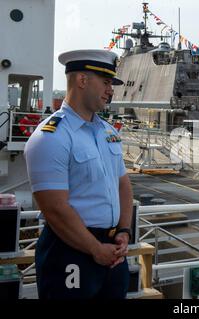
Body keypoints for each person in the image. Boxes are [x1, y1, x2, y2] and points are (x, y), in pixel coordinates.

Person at [24, 49, 133, 299]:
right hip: (70, 250)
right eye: (105, 82)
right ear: (82, 81)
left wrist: (124, 231)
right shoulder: (50, 137)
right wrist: (95, 249)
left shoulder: (107, 132)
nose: (111, 90)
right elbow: (55, 209)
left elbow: (123, 185)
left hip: (112, 249)